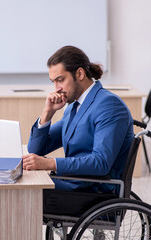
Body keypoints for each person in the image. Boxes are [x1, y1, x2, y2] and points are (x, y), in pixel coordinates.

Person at [22, 46, 134, 193]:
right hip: (75, 183)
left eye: (60, 80)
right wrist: (47, 113)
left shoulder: (108, 105)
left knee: (24, 189)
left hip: (93, 191)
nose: (56, 88)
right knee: (22, 182)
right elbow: (35, 150)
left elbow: (100, 163)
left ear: (80, 74)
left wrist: (50, 164)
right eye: (53, 82)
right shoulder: (73, 107)